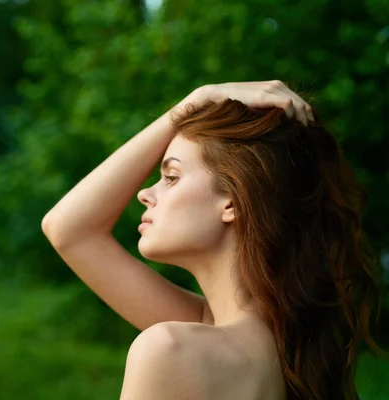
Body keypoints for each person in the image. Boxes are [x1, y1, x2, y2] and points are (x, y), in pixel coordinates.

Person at [41, 81, 385, 399]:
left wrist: (189, 105)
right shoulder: (289, 345)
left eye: (171, 176)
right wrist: (195, 101)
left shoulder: (171, 349)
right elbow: (67, 231)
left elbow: (71, 230)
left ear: (232, 202)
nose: (145, 193)